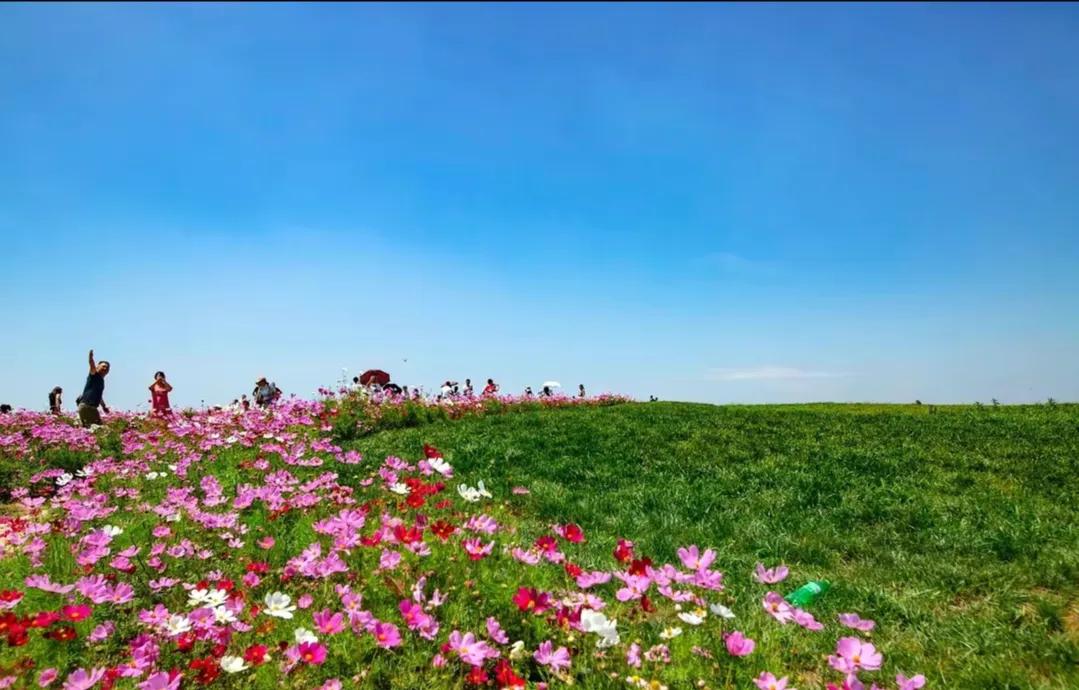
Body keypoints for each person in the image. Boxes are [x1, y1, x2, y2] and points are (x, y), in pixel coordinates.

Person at [78, 349, 111, 427]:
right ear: (97, 367)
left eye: (107, 368)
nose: (105, 368)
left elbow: (99, 396)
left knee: (88, 429)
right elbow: (91, 365)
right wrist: (90, 358)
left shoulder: (101, 380)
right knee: (98, 429)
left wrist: (104, 406)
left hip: (90, 407)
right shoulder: (94, 375)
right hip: (87, 406)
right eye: (103, 366)